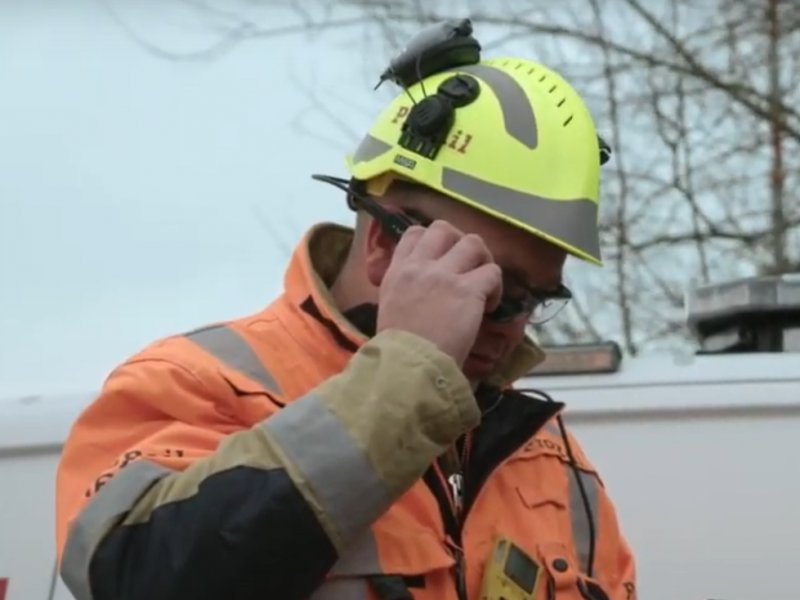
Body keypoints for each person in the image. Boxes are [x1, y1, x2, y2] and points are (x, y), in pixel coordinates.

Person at [55, 19, 636, 600]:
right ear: (384, 241)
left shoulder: (551, 460)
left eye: (535, 299)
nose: (511, 327)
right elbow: (137, 576)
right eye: (493, 289)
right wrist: (408, 375)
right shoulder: (196, 384)